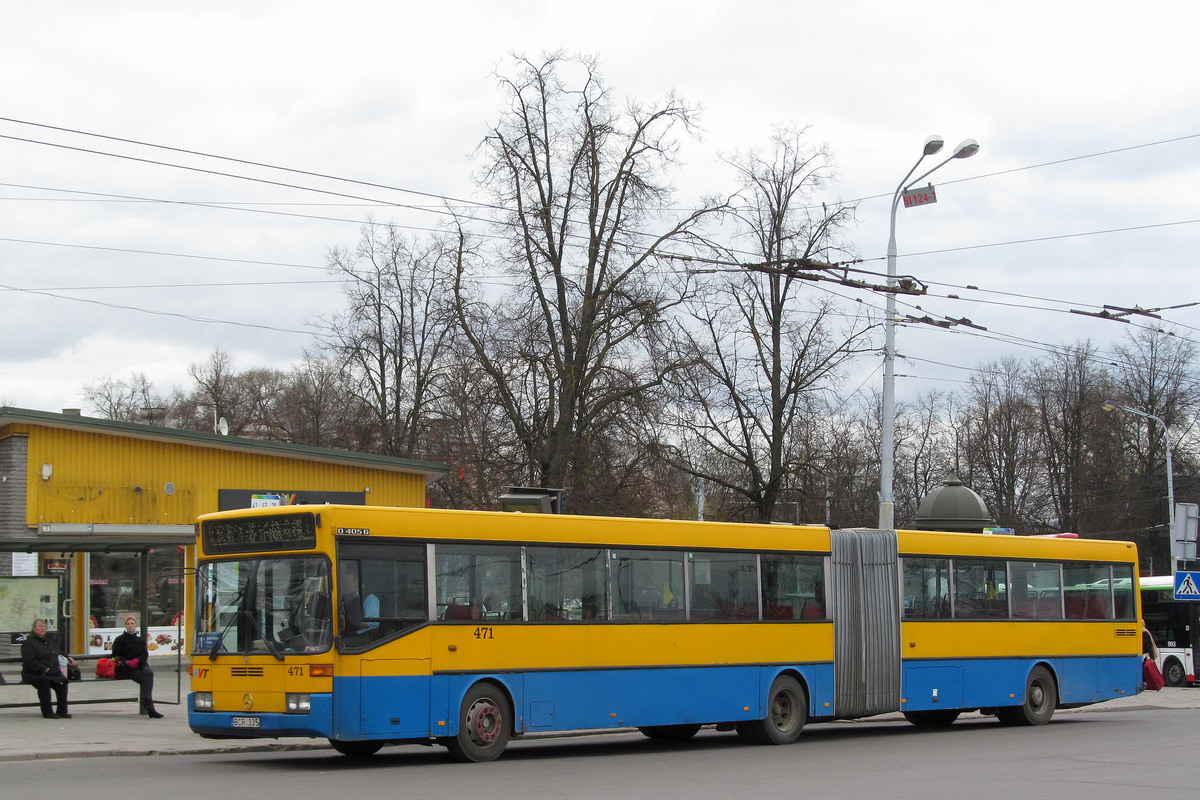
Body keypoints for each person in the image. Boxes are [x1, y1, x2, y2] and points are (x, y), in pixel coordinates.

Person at [110, 616, 163, 718]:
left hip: (140, 664)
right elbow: (115, 656)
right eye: (128, 624)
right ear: (125, 626)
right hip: (127, 667)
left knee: (149, 673)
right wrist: (126, 661)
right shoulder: (120, 639)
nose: (130, 626)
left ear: (135, 625)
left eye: (132, 623)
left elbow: (144, 654)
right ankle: (150, 707)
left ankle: (147, 701)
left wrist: (138, 660)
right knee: (144, 680)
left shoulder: (140, 639)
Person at [21, 618, 74, 719]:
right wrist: (44, 669)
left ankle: (62, 711)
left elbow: (55, 651)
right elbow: (29, 661)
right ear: (34, 628)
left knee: (62, 682)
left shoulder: (47, 641)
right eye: (39, 627)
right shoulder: (29, 643)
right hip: (34, 673)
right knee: (44, 683)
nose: (42, 629)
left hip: (50, 672)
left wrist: (67, 657)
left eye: (44, 627)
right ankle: (47, 712)